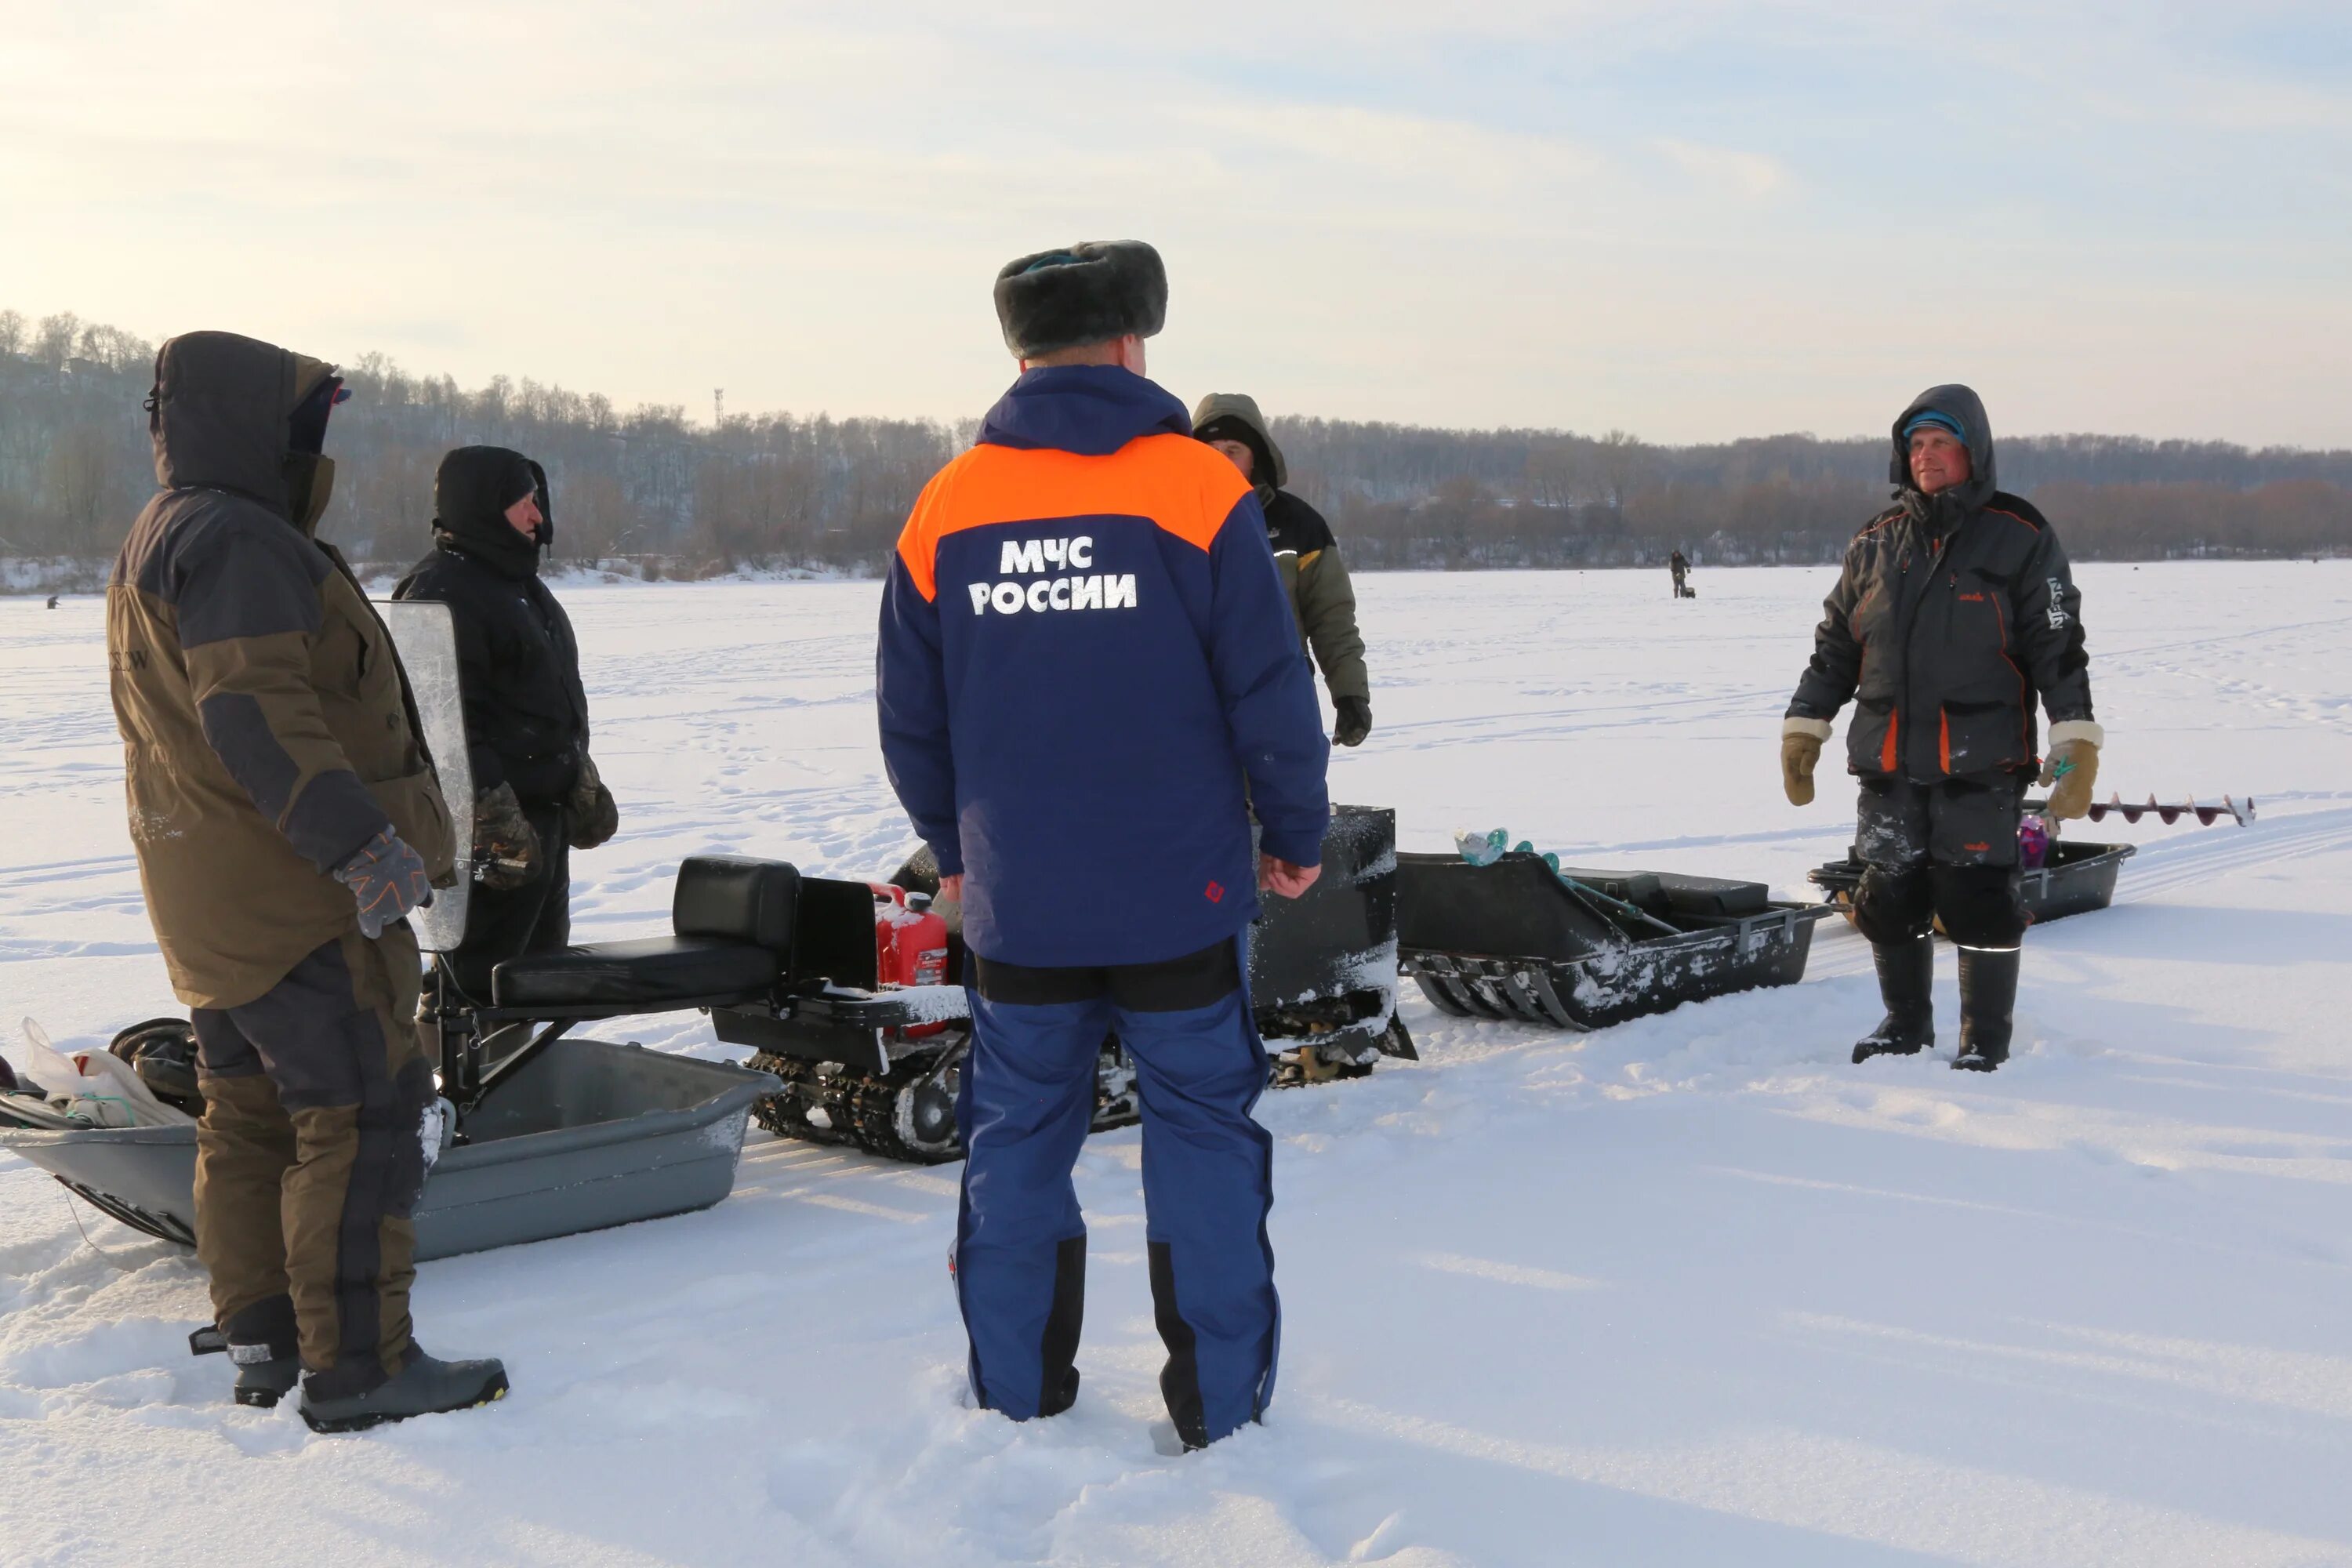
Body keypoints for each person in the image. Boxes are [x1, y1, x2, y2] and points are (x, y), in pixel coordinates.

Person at [877, 241, 1330, 1449]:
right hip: (1177, 896)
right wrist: (1294, 831)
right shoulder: (1193, 487)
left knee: (1016, 1144)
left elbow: (909, 711)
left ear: (1019, 354)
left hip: (1020, 906)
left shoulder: (950, 500)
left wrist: (953, 850)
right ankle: (1221, 1413)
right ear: (1134, 343)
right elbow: (1270, 687)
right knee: (1201, 1144)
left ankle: (1018, 1403)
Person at [106, 330, 506, 1429]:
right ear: (252, 426)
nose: (313, 445)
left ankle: (265, 1331)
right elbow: (256, 712)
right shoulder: (237, 539)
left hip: (212, 897)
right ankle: (361, 1367)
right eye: (301, 424)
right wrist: (361, 848)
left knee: (248, 1110)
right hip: (296, 899)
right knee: (364, 1112)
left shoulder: (169, 529)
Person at [1780, 384, 2100, 1072]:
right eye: (1916, 445)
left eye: (1941, 443)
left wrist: (2073, 736)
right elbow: (1837, 645)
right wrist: (1806, 725)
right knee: (1887, 895)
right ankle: (1904, 1026)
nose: (1926, 456)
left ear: (1972, 452)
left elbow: (2057, 642)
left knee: (1975, 898)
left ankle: (1985, 1041)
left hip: (1979, 759)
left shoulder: (2020, 535)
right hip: (1888, 758)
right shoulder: (1874, 541)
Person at [392, 448, 616, 1004]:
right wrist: (489, 821)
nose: (537, 517)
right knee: (473, 988)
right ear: (483, 508)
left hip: (542, 821)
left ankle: (519, 1083)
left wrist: (576, 774)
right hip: (487, 839)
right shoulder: (439, 592)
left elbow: (542, 700)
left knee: (535, 980)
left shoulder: (518, 585)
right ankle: (454, 1087)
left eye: (536, 502)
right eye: (523, 504)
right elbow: (436, 725)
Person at [1191, 394, 1373, 747]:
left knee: (1287, 800)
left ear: (1255, 455)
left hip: (1279, 699)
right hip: (1194, 707)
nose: (1220, 462)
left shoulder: (1298, 525)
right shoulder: (1168, 522)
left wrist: (1350, 695)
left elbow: (1332, 618)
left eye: (1233, 450)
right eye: (1210, 450)